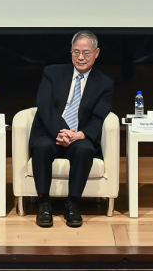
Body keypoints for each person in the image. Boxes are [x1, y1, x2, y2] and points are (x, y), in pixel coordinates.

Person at [29, 30, 114, 228]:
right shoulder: (52, 73)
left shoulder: (104, 83)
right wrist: (62, 131)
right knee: (41, 146)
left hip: (79, 135)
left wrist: (79, 135)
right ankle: (44, 204)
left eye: (86, 52)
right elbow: (44, 106)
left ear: (97, 53)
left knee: (85, 149)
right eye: (76, 52)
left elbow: (99, 116)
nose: (80, 57)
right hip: (51, 132)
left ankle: (73, 204)